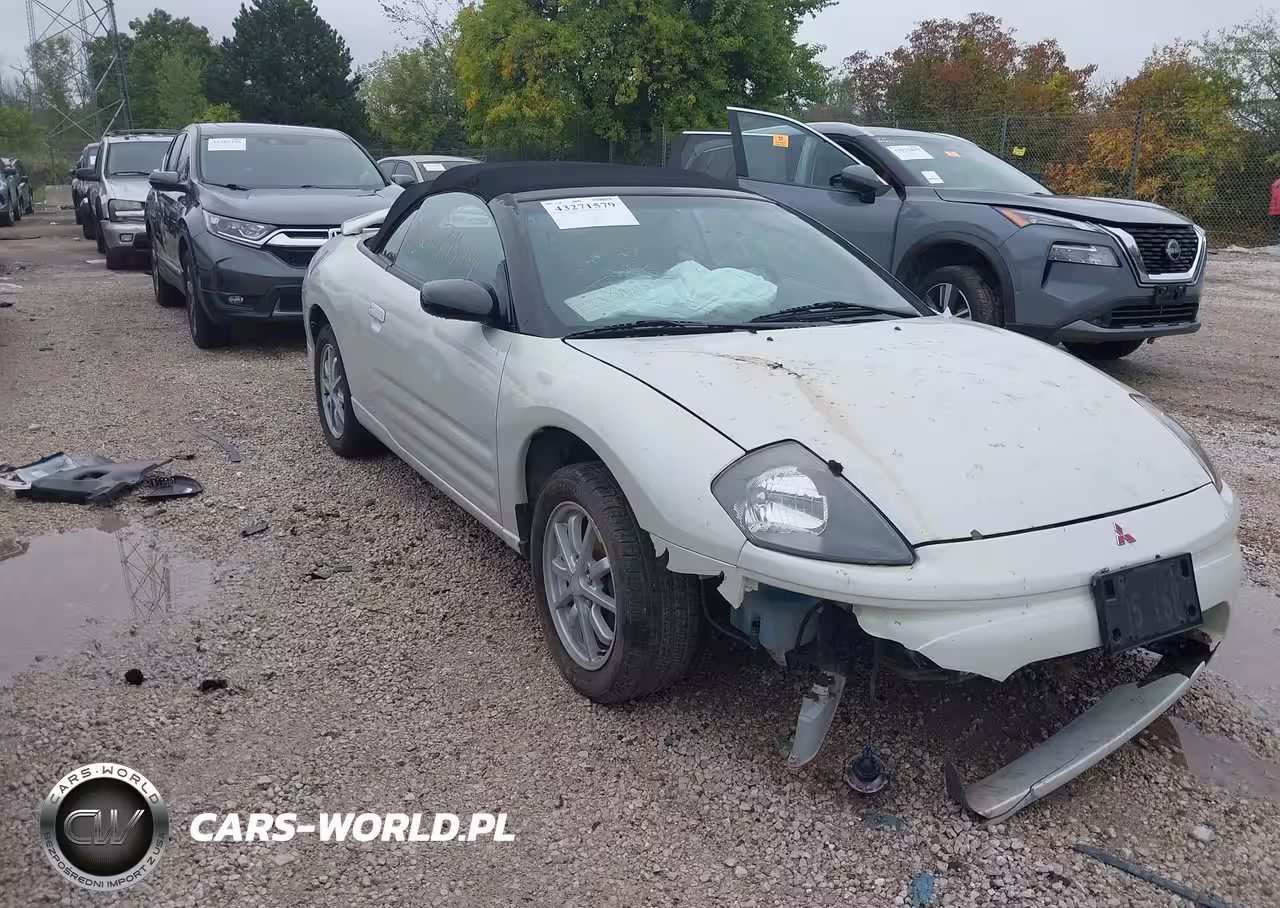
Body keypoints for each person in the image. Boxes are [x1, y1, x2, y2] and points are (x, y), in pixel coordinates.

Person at [1271, 175, 1280, 244]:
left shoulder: (1276, 182)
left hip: (1274, 210)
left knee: (1276, 227)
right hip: (1277, 208)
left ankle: (1275, 242)